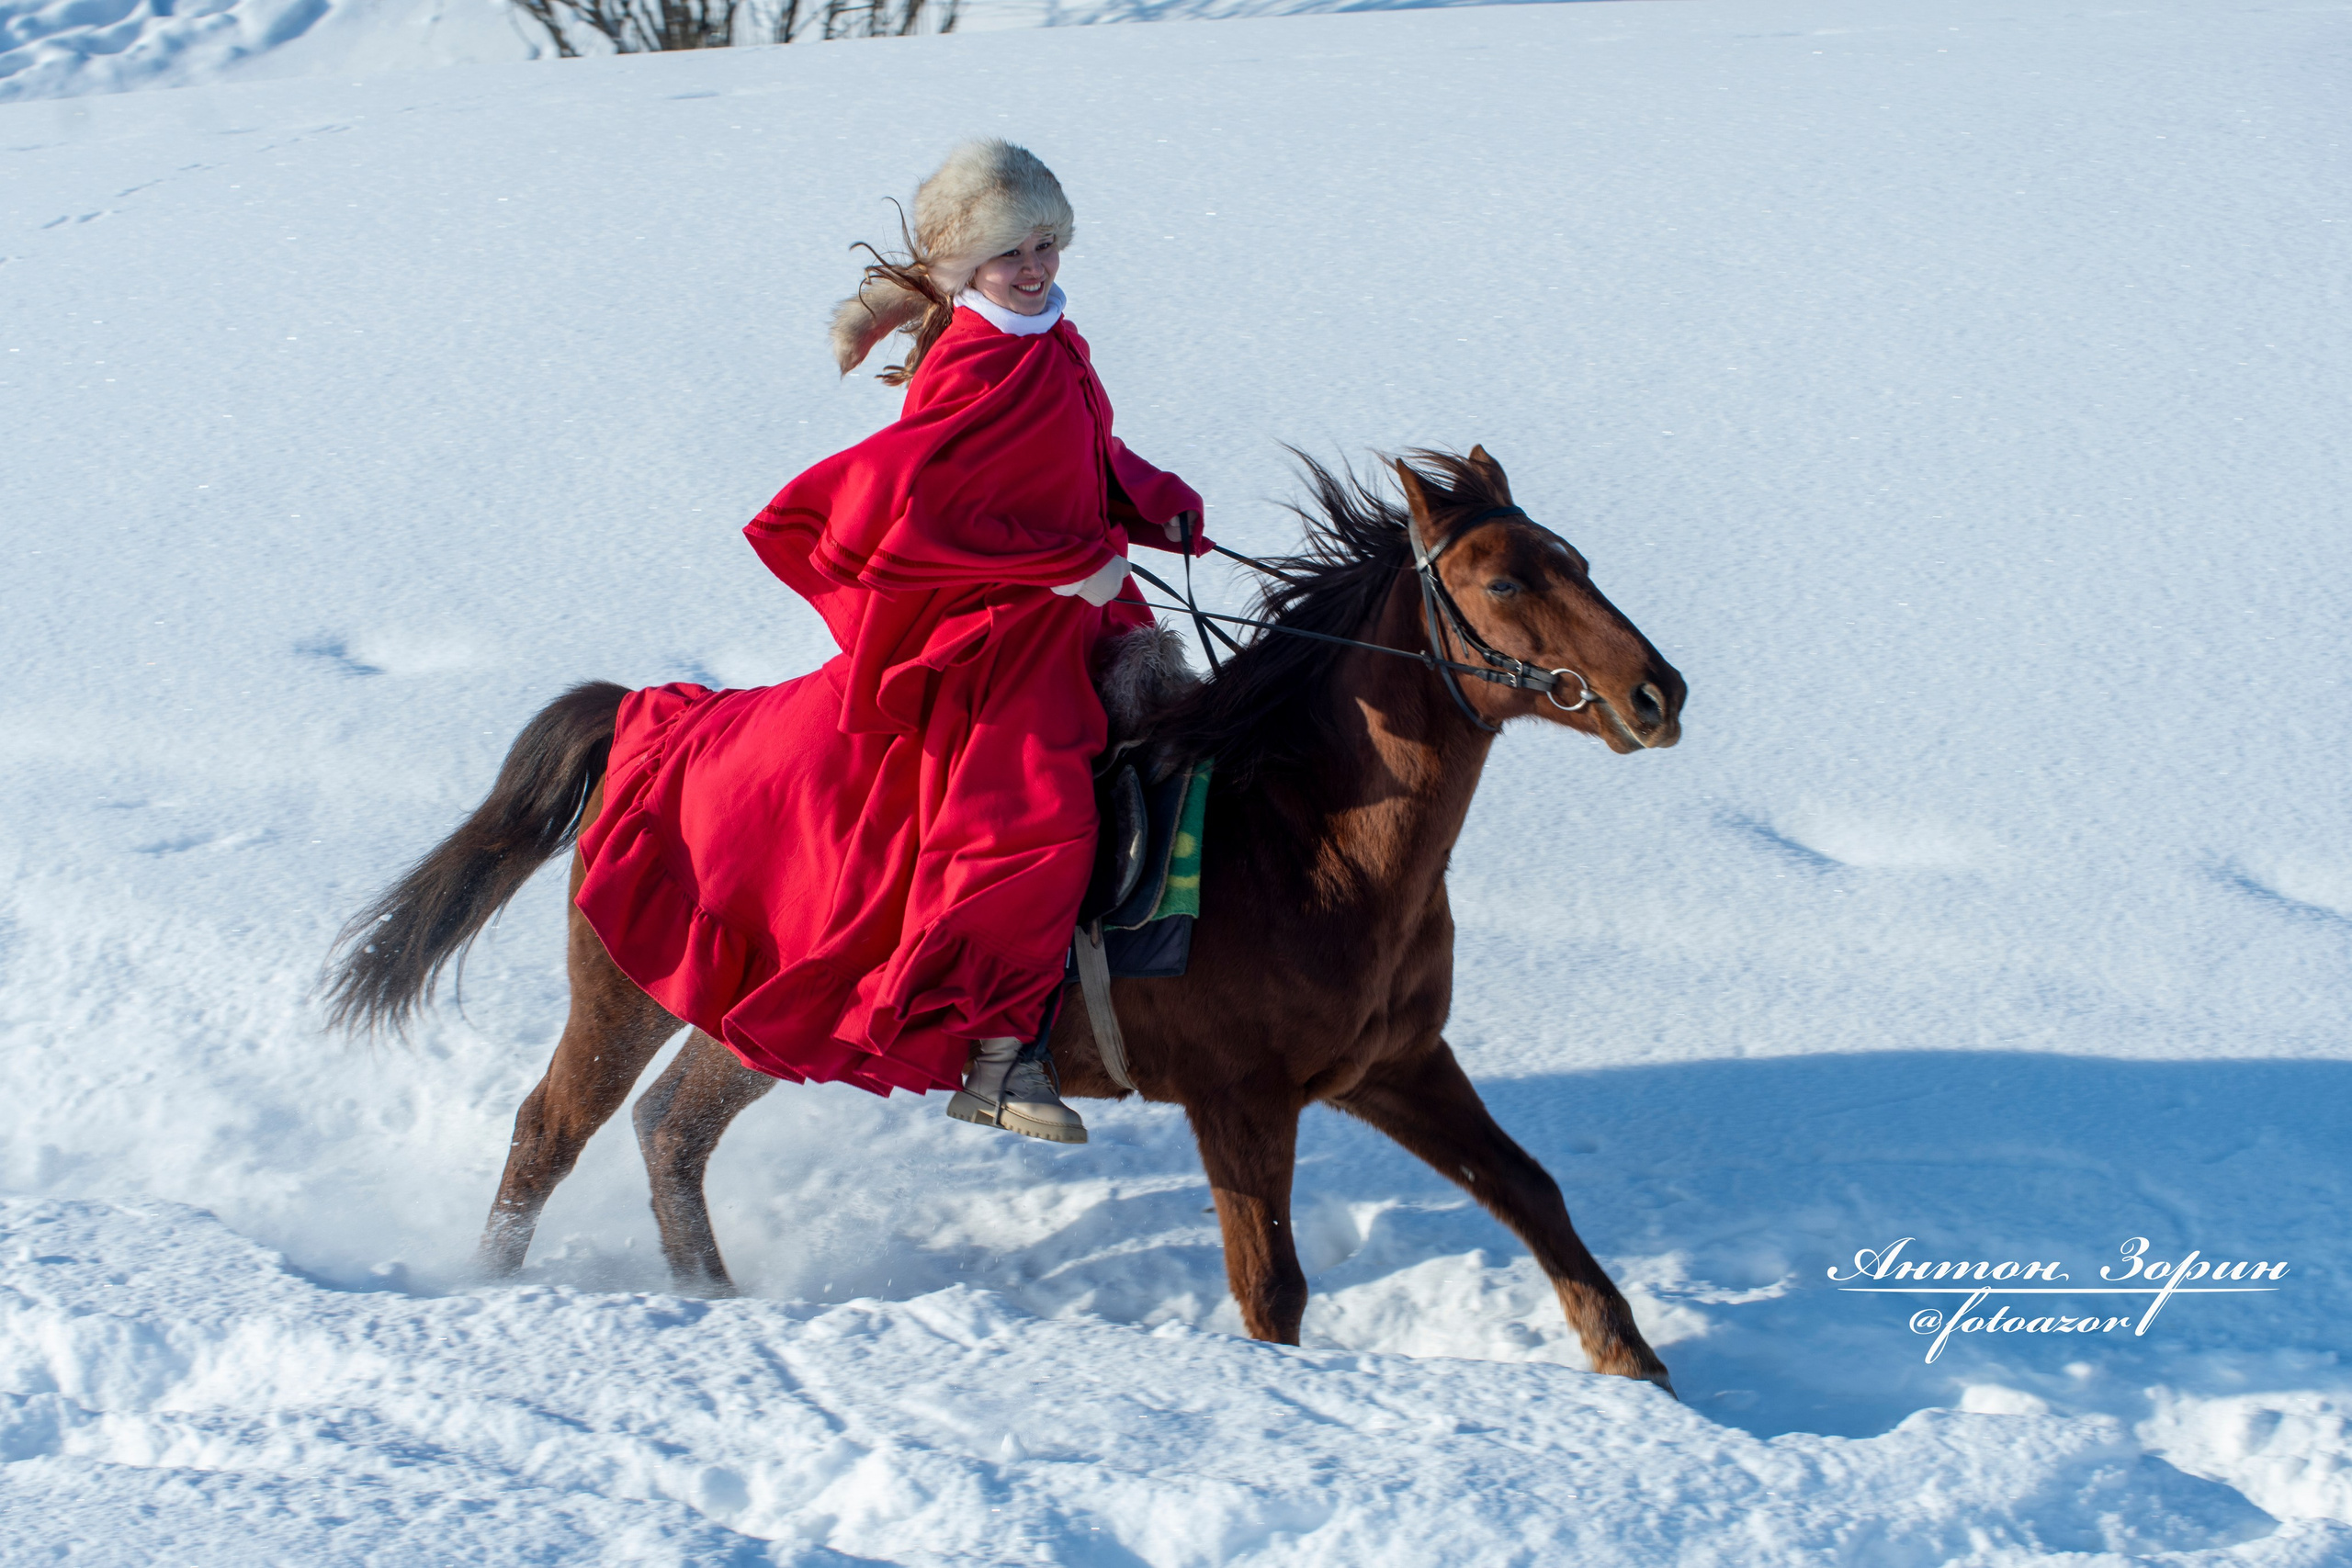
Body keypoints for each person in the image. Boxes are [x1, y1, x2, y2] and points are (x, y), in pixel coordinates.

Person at [571, 140, 1209, 1145]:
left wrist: (1157, 507)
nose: (1036, 266)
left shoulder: (1052, 339)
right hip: (992, 640)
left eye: (1047, 243)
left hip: (1077, 611)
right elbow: (914, 513)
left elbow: (1088, 452)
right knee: (1036, 818)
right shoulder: (970, 361)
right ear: (965, 265)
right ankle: (1002, 1058)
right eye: (1012, 252)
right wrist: (1053, 564)